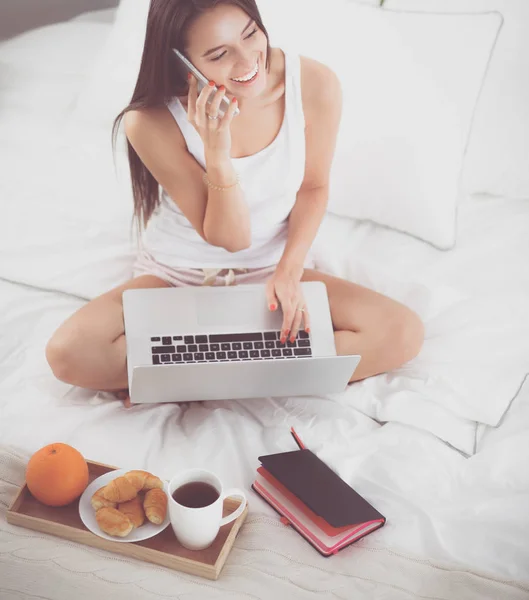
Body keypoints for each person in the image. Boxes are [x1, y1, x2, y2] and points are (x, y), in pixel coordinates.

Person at [45, 0, 424, 408]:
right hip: (177, 277)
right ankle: (251, 368)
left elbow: (313, 188)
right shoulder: (150, 121)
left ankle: (201, 374)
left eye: (249, 34)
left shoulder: (314, 83)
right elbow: (232, 238)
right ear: (180, 62)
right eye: (219, 54)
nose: (248, 61)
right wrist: (217, 152)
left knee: (402, 332)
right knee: (68, 352)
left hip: (272, 274)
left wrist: (289, 272)